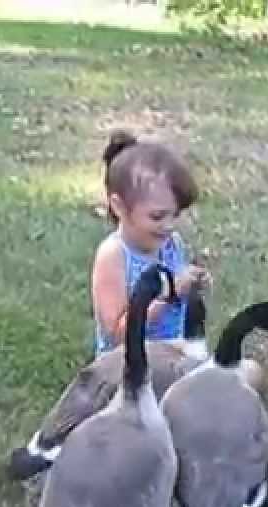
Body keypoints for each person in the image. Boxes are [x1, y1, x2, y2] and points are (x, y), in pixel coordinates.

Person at [91, 129, 211, 356]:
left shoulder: (171, 244)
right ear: (119, 207)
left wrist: (193, 285)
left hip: (174, 352)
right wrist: (170, 292)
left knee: (251, 372)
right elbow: (117, 335)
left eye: (174, 215)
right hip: (128, 366)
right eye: (157, 217)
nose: (168, 226)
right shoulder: (114, 255)